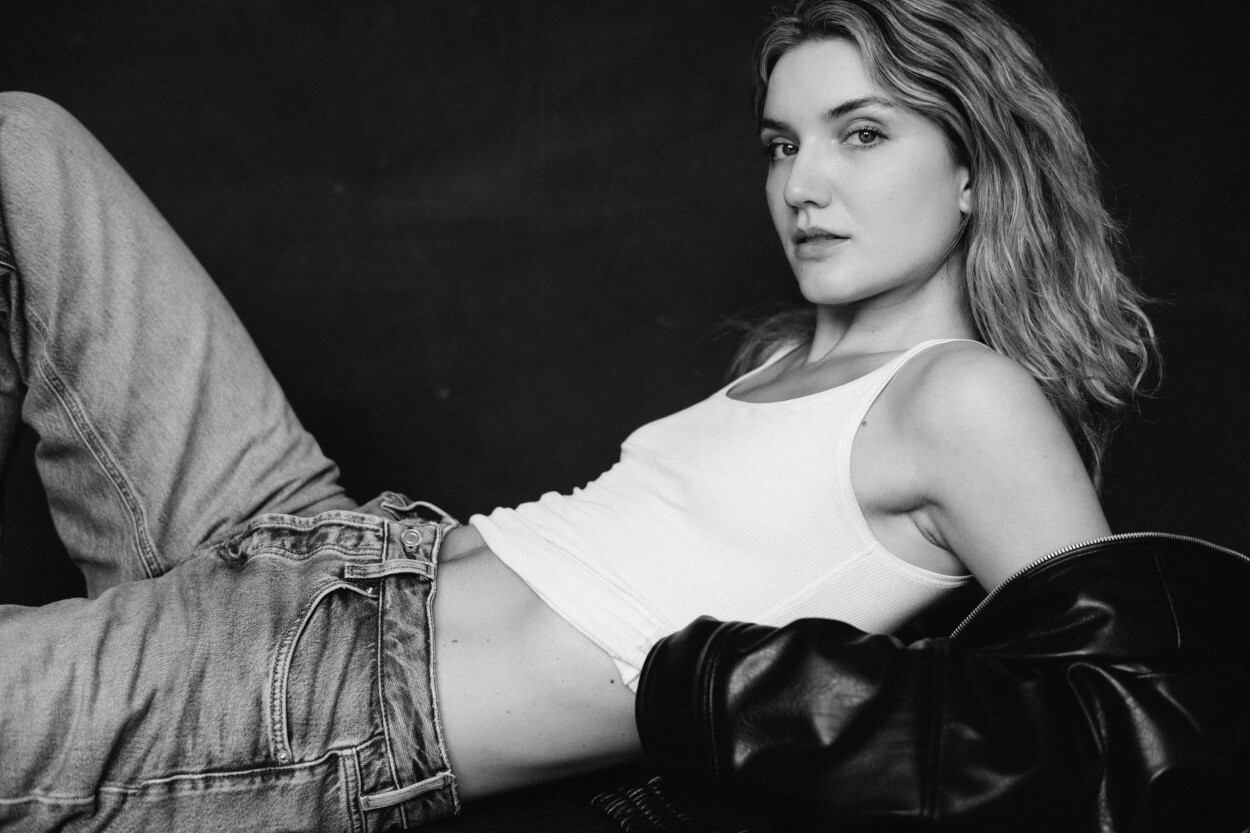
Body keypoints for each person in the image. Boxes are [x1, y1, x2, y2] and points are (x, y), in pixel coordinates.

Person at [0, 0, 1171, 830]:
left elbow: (1136, 725)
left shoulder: (964, 395)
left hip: (324, 697)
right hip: (328, 542)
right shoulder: (787, 359)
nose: (801, 184)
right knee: (26, 145)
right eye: (781, 144)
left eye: (860, 134)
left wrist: (774, 697)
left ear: (973, 167)